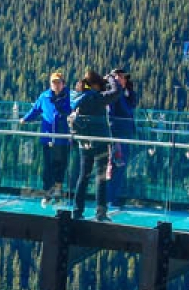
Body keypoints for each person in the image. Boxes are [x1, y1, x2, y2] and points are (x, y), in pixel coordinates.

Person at [68, 70, 122, 221]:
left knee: (83, 177)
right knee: (101, 178)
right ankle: (101, 213)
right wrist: (111, 78)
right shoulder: (96, 98)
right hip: (100, 143)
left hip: (84, 144)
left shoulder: (78, 98)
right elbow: (117, 92)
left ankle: (77, 211)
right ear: (94, 85)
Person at [19, 72, 73, 203]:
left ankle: (58, 191)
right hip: (48, 138)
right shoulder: (44, 97)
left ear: (63, 83)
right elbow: (35, 110)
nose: (56, 85)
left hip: (63, 138)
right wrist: (25, 119)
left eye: (58, 82)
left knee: (61, 165)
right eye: (53, 82)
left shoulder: (70, 96)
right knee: (47, 167)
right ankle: (47, 193)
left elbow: (73, 110)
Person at [106, 69, 138, 211]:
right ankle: (110, 199)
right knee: (114, 166)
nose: (123, 80)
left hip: (125, 135)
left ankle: (115, 197)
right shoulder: (114, 95)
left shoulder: (125, 95)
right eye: (119, 77)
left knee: (121, 166)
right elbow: (110, 115)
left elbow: (133, 104)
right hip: (117, 136)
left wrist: (129, 90)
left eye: (124, 77)